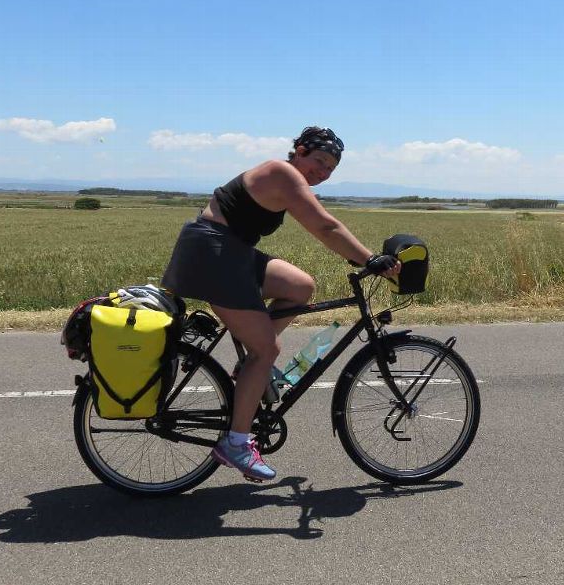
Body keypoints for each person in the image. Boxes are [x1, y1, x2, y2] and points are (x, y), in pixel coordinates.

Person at [160, 126, 400, 482]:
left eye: (330, 169)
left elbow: (324, 228)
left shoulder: (287, 177)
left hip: (232, 253)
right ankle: (236, 443)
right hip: (213, 254)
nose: (323, 172)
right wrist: (369, 260)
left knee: (300, 287)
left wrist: (362, 259)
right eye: (319, 161)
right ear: (299, 151)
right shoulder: (281, 172)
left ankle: (249, 369)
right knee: (266, 349)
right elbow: (325, 227)